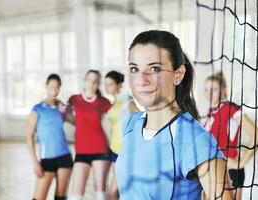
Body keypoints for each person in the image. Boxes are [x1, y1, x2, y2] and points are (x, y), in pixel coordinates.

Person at [115, 30, 234, 199]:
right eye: (134, 69)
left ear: (178, 75)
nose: (141, 80)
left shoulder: (195, 139)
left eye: (154, 68)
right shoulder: (130, 124)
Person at [204, 72, 258, 200]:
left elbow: (256, 134)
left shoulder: (231, 109)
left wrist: (241, 163)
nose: (209, 93)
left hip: (229, 172)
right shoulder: (211, 112)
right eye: (206, 89)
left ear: (224, 89)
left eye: (214, 89)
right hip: (212, 170)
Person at [27, 74, 73, 200]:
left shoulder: (60, 108)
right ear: (46, 87)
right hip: (47, 159)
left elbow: (76, 122)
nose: (54, 90)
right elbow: (29, 137)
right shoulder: (37, 109)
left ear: (59, 89)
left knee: (60, 197)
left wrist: (68, 109)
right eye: (51, 87)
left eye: (57, 87)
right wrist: (35, 163)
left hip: (65, 157)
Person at [68, 70, 111, 200]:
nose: (91, 84)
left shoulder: (104, 102)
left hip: (100, 149)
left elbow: (115, 120)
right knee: (76, 195)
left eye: (95, 81)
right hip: (81, 151)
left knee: (100, 194)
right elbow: (73, 120)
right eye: (89, 80)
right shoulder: (74, 99)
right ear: (84, 81)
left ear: (98, 85)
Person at [104, 71, 137, 200]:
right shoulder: (114, 101)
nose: (107, 87)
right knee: (114, 191)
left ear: (119, 85)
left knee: (112, 192)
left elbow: (141, 117)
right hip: (114, 150)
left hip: (124, 151)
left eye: (111, 84)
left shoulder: (126, 99)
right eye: (106, 84)